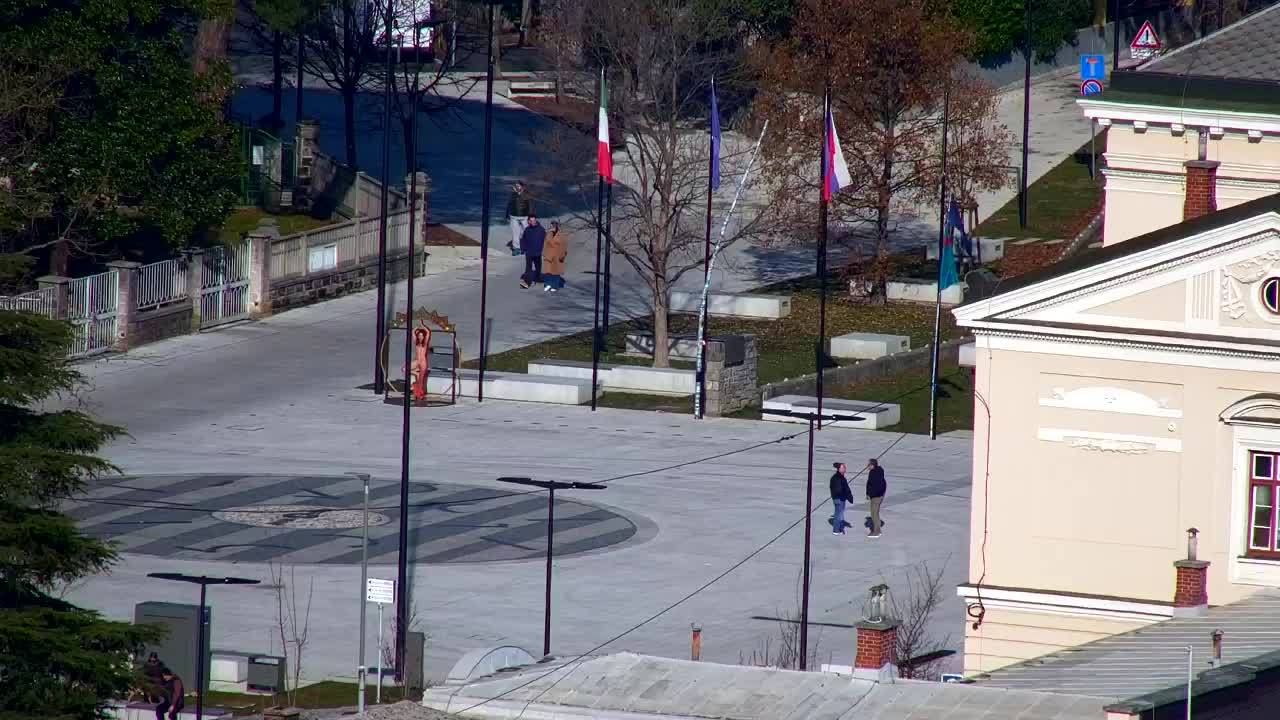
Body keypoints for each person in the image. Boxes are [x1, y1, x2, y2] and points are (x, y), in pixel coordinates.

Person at [506, 181, 533, 255]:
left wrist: (531, 216)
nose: (517, 187)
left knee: (526, 231)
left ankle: (527, 246)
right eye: (516, 186)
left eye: (518, 186)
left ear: (522, 187)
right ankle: (516, 248)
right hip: (514, 216)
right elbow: (509, 204)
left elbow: (530, 205)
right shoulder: (513, 195)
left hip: (524, 216)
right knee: (515, 232)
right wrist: (507, 215)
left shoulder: (526, 194)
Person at [519, 216, 546, 289]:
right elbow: (523, 239)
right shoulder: (527, 230)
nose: (533, 222)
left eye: (534, 220)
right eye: (531, 220)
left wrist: (544, 250)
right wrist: (523, 249)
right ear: (528, 222)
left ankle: (538, 280)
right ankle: (526, 283)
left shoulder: (541, 230)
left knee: (538, 267)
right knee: (528, 268)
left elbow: (545, 241)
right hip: (529, 253)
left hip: (537, 253)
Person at [541, 221, 568, 292]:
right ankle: (547, 284)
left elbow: (564, 245)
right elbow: (545, 243)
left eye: (554, 224)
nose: (553, 225)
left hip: (558, 255)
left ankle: (555, 286)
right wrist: (544, 253)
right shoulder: (548, 233)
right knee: (548, 271)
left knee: (556, 272)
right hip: (549, 255)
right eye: (552, 224)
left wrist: (562, 255)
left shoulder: (561, 234)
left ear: (557, 225)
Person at [829, 462, 854, 535]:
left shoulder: (841, 477)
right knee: (838, 514)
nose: (845, 469)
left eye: (845, 467)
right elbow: (839, 489)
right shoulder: (836, 478)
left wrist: (849, 496)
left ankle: (839, 528)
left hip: (841, 498)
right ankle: (836, 530)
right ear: (839, 469)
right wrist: (845, 495)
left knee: (840, 513)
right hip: (838, 498)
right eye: (843, 467)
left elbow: (846, 488)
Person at [866, 458, 887, 538]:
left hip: (876, 496)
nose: (867, 466)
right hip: (874, 496)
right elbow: (869, 484)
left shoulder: (877, 474)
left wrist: (875, 495)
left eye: (869, 465)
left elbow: (880, 486)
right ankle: (877, 530)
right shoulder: (872, 472)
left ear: (872, 465)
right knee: (875, 513)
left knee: (874, 514)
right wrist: (868, 493)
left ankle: (876, 531)